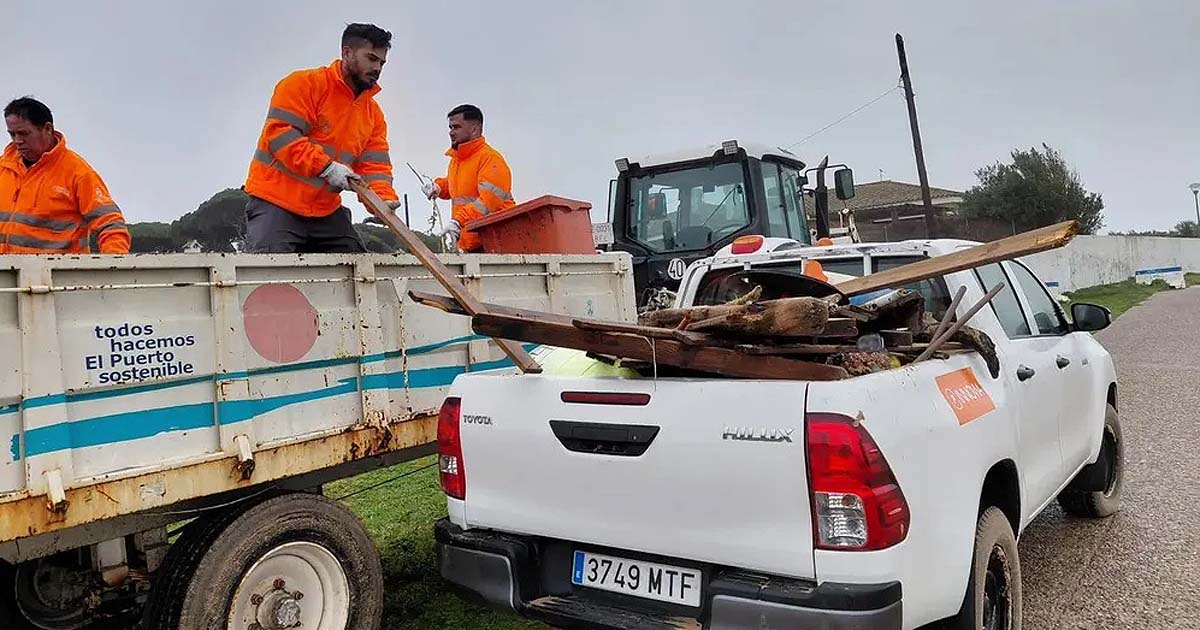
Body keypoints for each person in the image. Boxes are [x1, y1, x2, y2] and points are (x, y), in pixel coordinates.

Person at [243, 23, 401, 253]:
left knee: (358, 272)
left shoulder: (373, 114)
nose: (377, 68)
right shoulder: (303, 85)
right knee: (271, 275)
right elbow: (281, 136)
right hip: (276, 202)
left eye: (381, 63)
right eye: (371, 59)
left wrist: (382, 201)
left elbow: (375, 167)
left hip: (324, 211)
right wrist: (326, 168)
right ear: (346, 53)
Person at [0, 97, 130, 254]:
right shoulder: (4, 167)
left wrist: (113, 269)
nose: (17, 141)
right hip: (7, 275)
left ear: (47, 129)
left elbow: (111, 225)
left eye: (23, 133)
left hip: (59, 276)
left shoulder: (77, 173)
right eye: (12, 134)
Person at [423, 104, 515, 252]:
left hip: (494, 243)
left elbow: (487, 204)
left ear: (474, 129)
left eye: (456, 127)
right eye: (450, 128)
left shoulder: (491, 159)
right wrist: (438, 187)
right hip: (470, 242)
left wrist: (458, 221)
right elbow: (456, 185)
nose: (451, 132)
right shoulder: (458, 160)